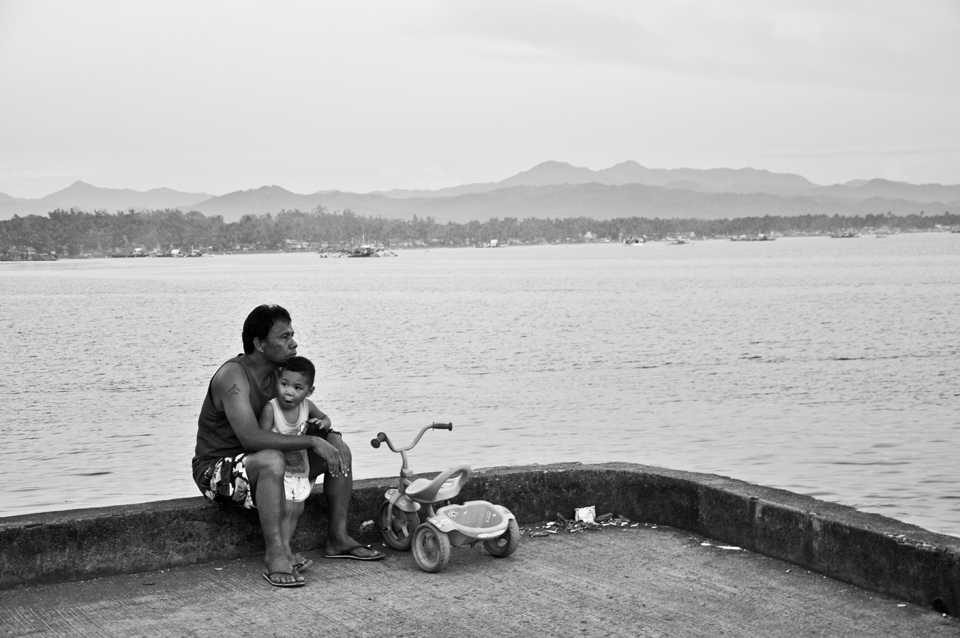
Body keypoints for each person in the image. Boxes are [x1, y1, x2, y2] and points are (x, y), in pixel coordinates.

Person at [192, 304, 383, 589]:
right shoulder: (233, 377)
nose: (293, 343)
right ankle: (276, 554)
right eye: (284, 337)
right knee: (272, 458)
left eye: (292, 335)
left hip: (265, 460)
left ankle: (338, 538)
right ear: (259, 344)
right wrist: (312, 441)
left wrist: (329, 435)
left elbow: (305, 416)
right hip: (217, 474)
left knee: (338, 449)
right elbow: (251, 439)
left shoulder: (280, 375)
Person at [258, 355, 326, 574]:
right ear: (278, 382)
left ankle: (286, 547)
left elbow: (326, 419)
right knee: (285, 508)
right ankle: (284, 552)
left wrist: (320, 423)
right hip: (280, 471)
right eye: (284, 384)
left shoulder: (307, 406)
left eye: (297, 388)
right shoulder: (271, 409)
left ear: (309, 391)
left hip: (300, 469)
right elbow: (261, 439)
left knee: (297, 509)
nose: (289, 392)